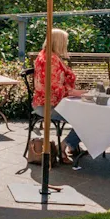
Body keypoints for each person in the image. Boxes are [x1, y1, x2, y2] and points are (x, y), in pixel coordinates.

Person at [32, 27, 84, 164]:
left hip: (47, 103)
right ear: (59, 42)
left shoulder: (47, 56)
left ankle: (72, 145)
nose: (66, 45)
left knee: (86, 115)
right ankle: (64, 146)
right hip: (48, 106)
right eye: (65, 42)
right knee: (86, 119)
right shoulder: (51, 60)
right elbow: (55, 88)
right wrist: (78, 93)